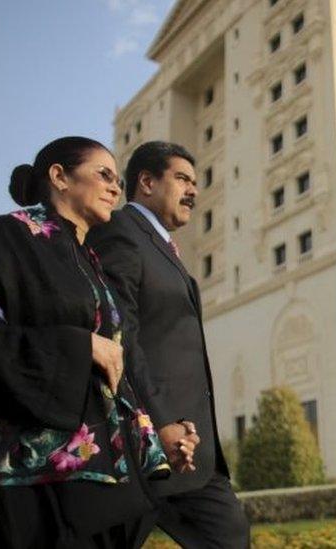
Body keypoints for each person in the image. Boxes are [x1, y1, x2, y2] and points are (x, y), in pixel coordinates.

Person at [0, 137, 188, 548]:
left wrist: (153, 434)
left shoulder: (92, 265)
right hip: (17, 483)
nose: (114, 188)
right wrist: (81, 345)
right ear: (59, 177)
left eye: (118, 183)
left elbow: (115, 366)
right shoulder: (4, 236)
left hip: (96, 477)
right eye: (103, 175)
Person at [88, 141, 250, 548]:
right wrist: (158, 421)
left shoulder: (163, 247)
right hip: (147, 444)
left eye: (195, 182)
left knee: (230, 537)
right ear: (146, 181)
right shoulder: (120, 232)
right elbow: (120, 333)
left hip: (190, 453)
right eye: (181, 179)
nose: (193, 190)